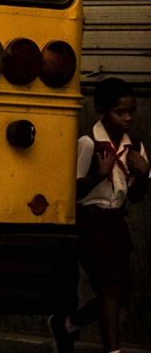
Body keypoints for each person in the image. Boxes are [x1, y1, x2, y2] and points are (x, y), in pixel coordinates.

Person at [53, 78, 150, 353]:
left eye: (131, 111)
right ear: (100, 112)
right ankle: (113, 350)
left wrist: (144, 172)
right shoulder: (88, 143)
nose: (128, 118)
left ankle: (68, 324)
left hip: (116, 222)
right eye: (120, 112)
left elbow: (136, 197)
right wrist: (99, 175)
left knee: (122, 294)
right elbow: (71, 191)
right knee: (109, 289)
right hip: (90, 221)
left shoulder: (135, 146)